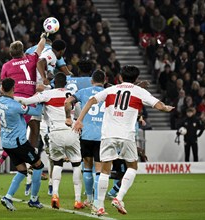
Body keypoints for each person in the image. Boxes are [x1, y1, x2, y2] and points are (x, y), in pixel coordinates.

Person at [73, 65, 174, 216]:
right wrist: (165, 108)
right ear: (137, 79)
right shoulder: (140, 91)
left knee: (105, 170)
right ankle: (119, 198)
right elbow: (157, 105)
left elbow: (90, 101)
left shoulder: (111, 90)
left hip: (108, 135)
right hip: (126, 135)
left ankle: (99, 206)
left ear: (120, 77)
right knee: (132, 167)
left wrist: (79, 120)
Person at [0, 32, 48, 177]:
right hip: (26, 101)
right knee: (16, 135)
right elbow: (40, 47)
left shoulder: (6, 65)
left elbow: (4, 85)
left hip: (10, 99)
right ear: (23, 51)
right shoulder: (32, 58)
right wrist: (43, 36)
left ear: (10, 53)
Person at [18, 72, 84, 210]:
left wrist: (10, 97)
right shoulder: (72, 96)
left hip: (55, 133)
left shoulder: (48, 94)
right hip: (71, 132)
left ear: (54, 84)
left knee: (57, 163)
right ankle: (77, 200)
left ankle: (55, 194)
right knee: (76, 164)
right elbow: (78, 114)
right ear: (66, 83)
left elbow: (26, 101)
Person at [0, 78, 44, 211]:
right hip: (19, 143)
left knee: (22, 170)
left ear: (2, 89)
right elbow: (36, 112)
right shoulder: (15, 106)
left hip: (7, 143)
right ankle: (34, 199)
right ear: (13, 88)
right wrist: (40, 99)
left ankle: (7, 197)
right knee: (38, 166)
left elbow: (13, 100)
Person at [64, 69, 105, 211]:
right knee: (99, 169)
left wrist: (69, 117)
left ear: (92, 80)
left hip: (86, 134)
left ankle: (88, 198)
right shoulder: (108, 93)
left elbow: (68, 101)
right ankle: (98, 202)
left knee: (87, 167)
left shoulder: (84, 91)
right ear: (104, 81)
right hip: (102, 136)